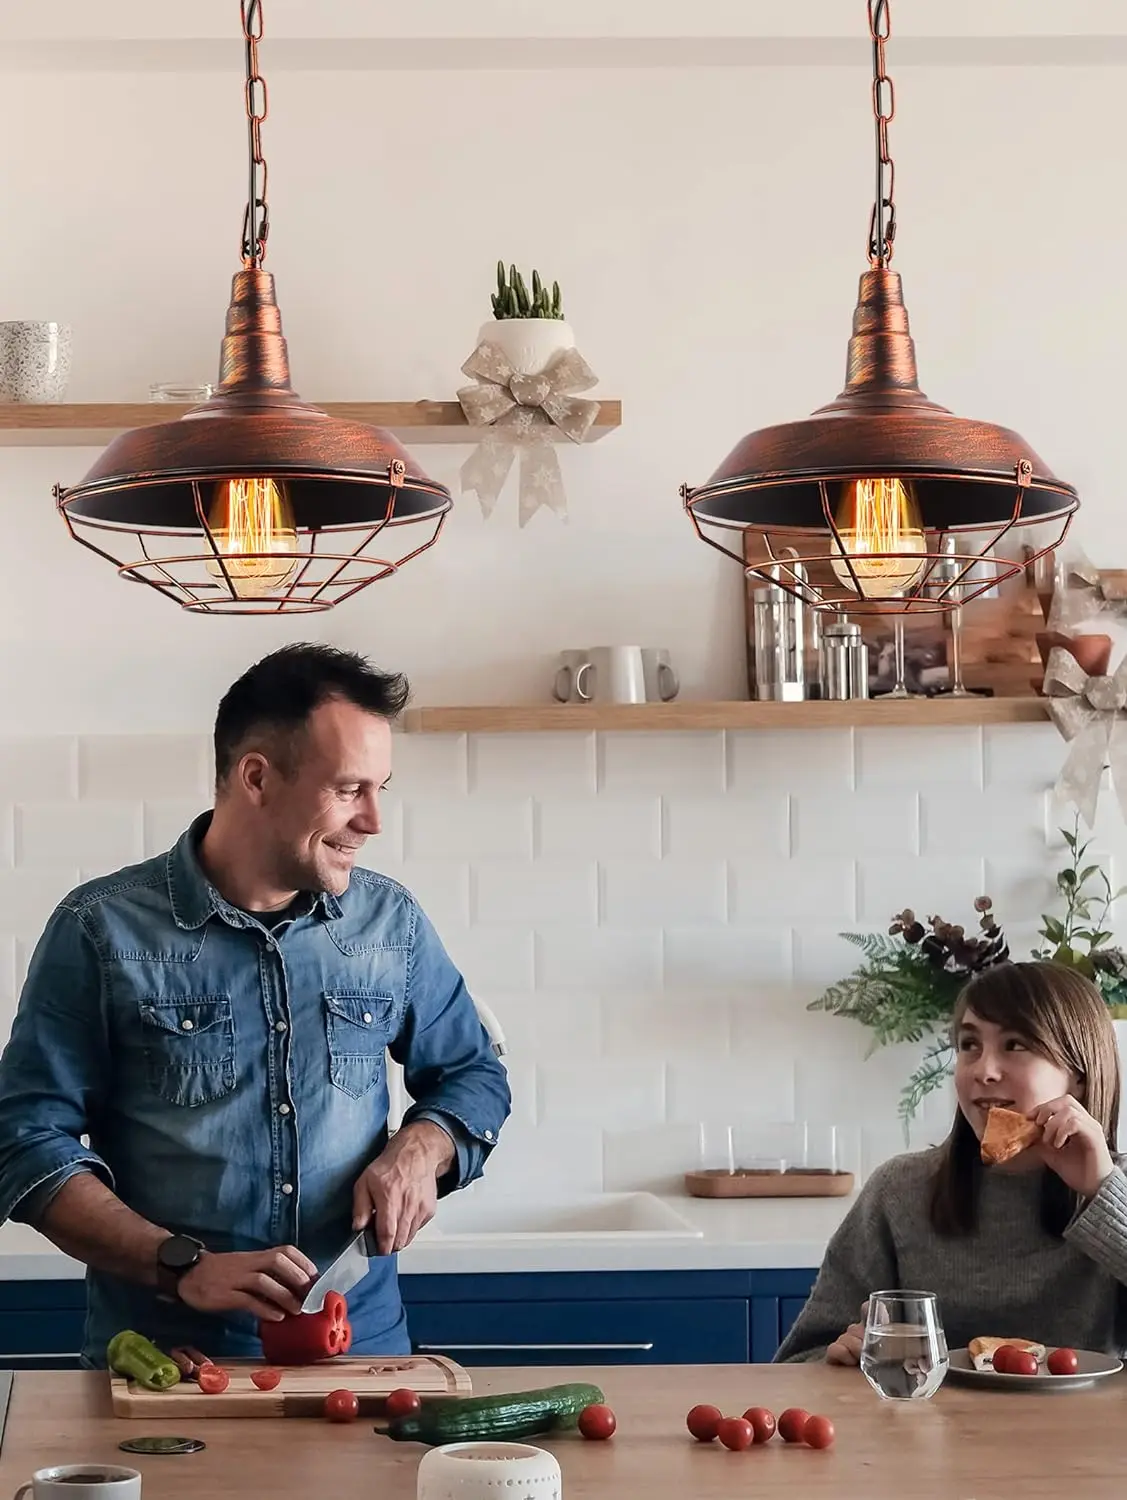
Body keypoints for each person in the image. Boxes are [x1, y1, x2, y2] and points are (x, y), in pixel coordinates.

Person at [0, 644, 511, 1366]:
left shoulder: (390, 925)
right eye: (348, 789)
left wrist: (422, 1149)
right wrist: (179, 1263)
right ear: (257, 778)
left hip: (360, 1355)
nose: (372, 821)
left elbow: (473, 1075)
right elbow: (25, 1145)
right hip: (166, 1364)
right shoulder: (100, 930)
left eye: (379, 790)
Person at [776, 961, 1127, 1363]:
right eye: (969, 1045)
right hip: (928, 1426)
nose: (984, 1071)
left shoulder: (1119, 1186)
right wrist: (840, 1359)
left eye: (1015, 1044)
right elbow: (798, 1361)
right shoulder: (899, 1191)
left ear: (1078, 1073)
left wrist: (1103, 1190)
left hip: (1086, 1427)